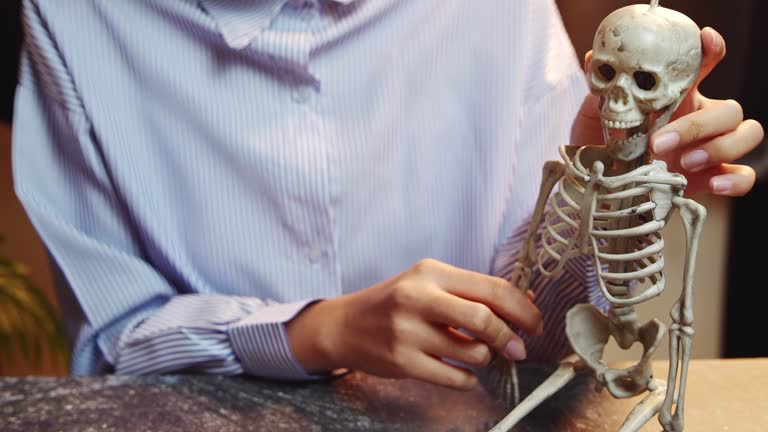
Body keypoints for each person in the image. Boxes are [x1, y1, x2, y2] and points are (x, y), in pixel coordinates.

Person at [13, 0, 762, 391]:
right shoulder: (74, 15)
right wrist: (319, 331)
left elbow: (531, 327)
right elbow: (115, 335)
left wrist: (611, 176)